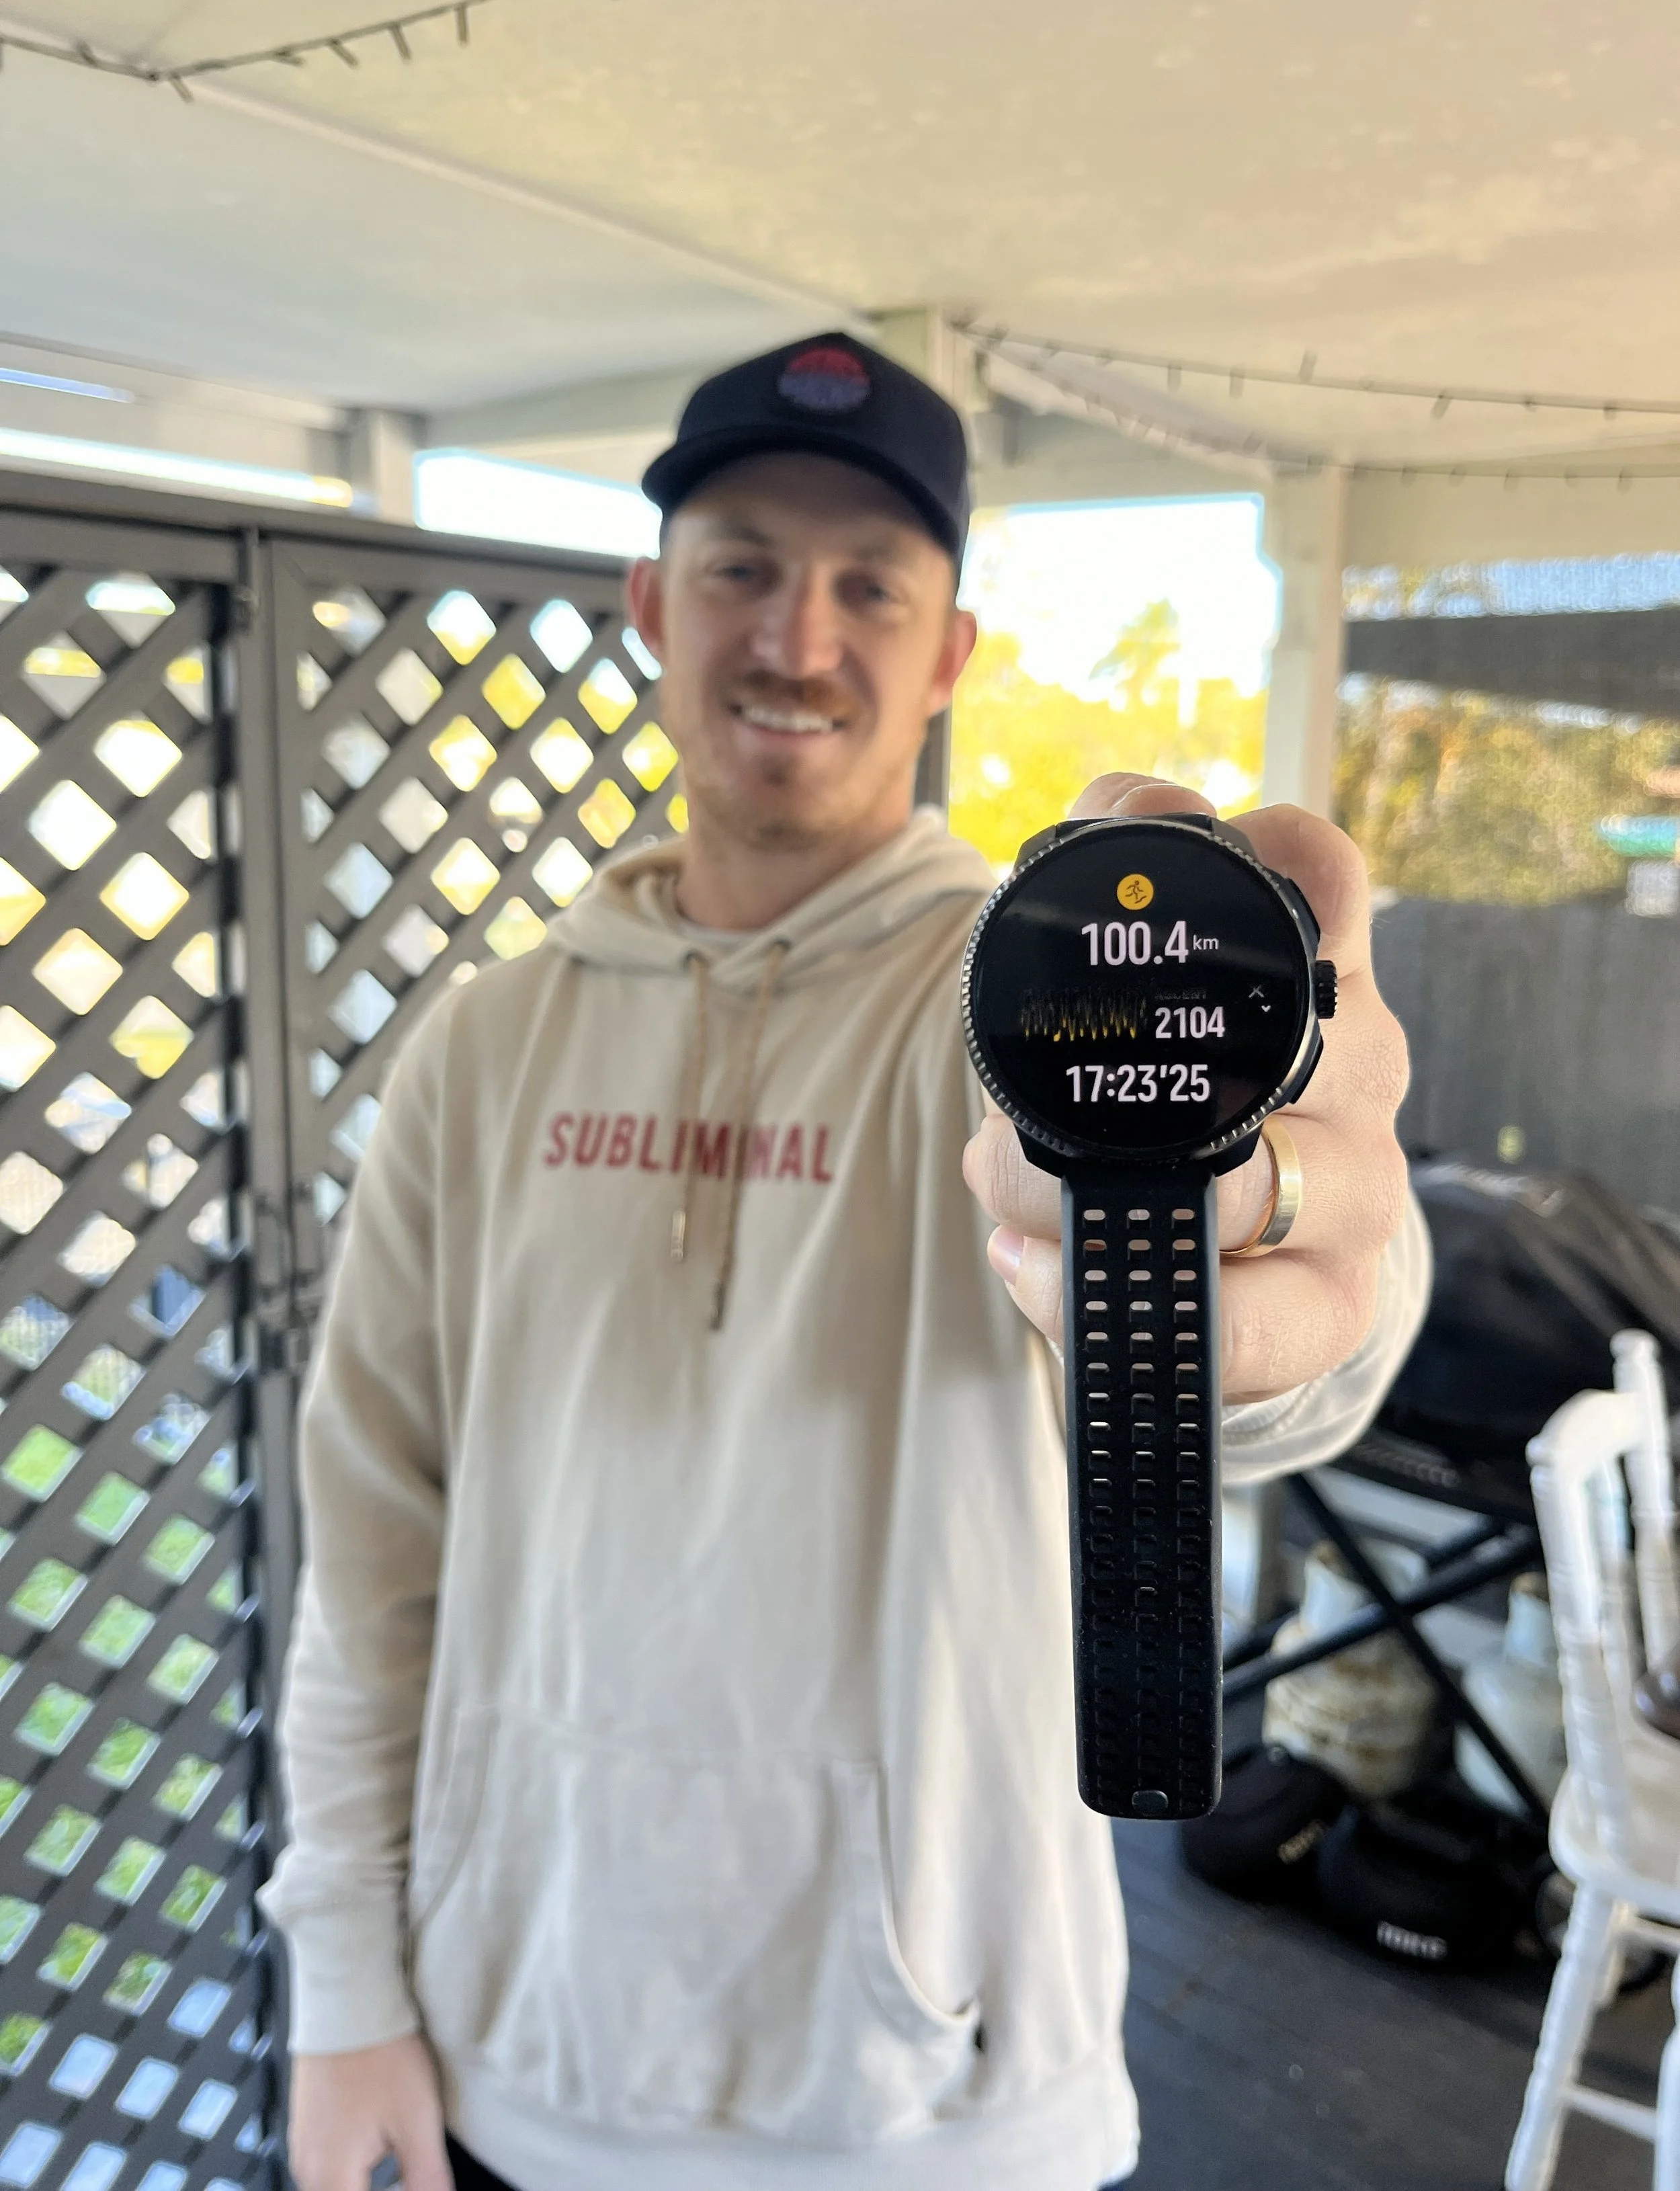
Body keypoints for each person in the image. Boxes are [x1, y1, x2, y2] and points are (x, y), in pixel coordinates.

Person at [263, 332, 1427, 2191]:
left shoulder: (1001, 1011)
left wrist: (1294, 1267)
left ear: (948, 647)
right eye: (741, 566)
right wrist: (342, 1980)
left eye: (869, 585)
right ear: (652, 604)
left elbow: (1287, 1341)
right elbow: (371, 1536)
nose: (798, 641)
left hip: (938, 2110)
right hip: (507, 2064)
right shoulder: (481, 1047)